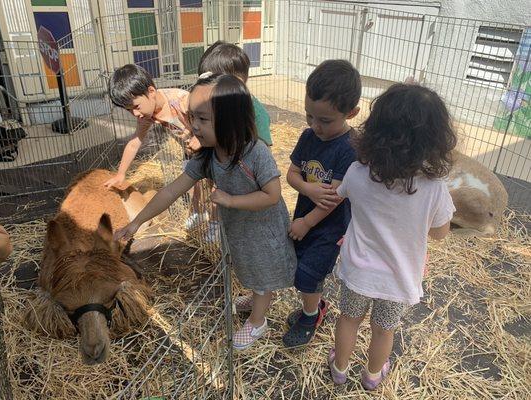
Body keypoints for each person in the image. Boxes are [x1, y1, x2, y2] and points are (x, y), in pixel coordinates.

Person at [114, 73, 296, 351]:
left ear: (230, 120)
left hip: (263, 229)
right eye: (192, 117)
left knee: (261, 273)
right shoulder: (208, 155)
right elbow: (171, 191)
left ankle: (258, 321)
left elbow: (272, 195)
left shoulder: (255, 153)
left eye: (202, 119)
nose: (193, 126)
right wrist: (136, 222)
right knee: (247, 267)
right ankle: (256, 295)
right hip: (240, 228)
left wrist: (231, 201)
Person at [328, 83, 457, 389]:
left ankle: (339, 368)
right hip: (398, 277)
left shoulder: (357, 172)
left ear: (375, 130)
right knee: (384, 329)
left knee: (349, 318)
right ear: (435, 140)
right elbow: (440, 234)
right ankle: (373, 376)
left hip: (358, 268)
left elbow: (343, 195)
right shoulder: (434, 189)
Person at [282, 60, 361, 348]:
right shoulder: (308, 136)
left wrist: (306, 222)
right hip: (305, 215)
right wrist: (307, 188)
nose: (315, 126)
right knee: (299, 267)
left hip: (330, 228)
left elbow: (333, 198)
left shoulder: (350, 148)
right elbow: (292, 173)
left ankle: (310, 316)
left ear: (351, 113)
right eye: (309, 116)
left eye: (325, 121)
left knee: (307, 273)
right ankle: (315, 305)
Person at [183, 41, 275, 248]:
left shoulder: (254, 112)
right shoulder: (213, 106)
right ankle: (198, 213)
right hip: (218, 159)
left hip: (240, 173)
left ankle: (216, 224)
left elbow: (263, 153)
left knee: (223, 196)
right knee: (205, 185)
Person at [105, 64, 190, 189]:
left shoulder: (181, 101)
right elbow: (134, 144)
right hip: (191, 150)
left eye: (136, 107)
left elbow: (210, 122)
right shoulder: (146, 115)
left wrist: (194, 136)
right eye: (129, 110)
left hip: (209, 143)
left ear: (151, 92)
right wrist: (121, 174)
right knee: (192, 184)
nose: (135, 114)